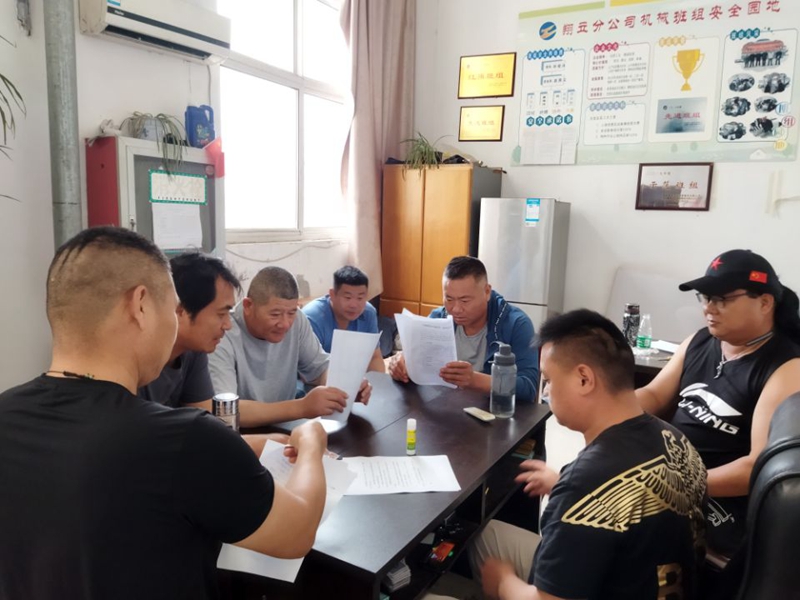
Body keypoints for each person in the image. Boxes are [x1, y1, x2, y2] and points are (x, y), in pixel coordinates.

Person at [0, 227, 328, 599]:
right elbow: (297, 532)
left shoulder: (6, 414)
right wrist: (311, 443)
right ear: (140, 306)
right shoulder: (186, 440)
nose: (175, 322)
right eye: (171, 308)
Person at [430, 309, 707, 600]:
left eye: (549, 379)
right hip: (644, 580)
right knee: (480, 536)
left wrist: (502, 581)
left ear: (584, 379)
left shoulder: (585, 482)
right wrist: (562, 486)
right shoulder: (678, 441)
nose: (545, 392)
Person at [637, 249, 800, 560]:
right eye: (705, 297)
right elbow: (655, 395)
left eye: (722, 299)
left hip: (721, 502)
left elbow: (755, 467)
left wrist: (674, 483)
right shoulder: (700, 341)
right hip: (672, 474)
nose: (708, 308)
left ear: (765, 303)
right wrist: (608, 405)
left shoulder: (786, 368)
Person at [208, 265, 371, 418]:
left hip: (286, 423)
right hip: (242, 431)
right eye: (275, 314)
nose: (285, 324)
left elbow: (319, 368)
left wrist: (346, 386)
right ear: (248, 305)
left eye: (291, 313)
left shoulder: (298, 319)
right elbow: (225, 410)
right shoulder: (222, 334)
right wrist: (302, 407)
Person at [388, 256, 539, 402]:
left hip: (493, 411)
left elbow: (529, 387)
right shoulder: (438, 319)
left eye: (465, 300)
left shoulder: (516, 324)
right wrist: (400, 365)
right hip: (444, 407)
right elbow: (414, 362)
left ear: (487, 292)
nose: (456, 309)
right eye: (449, 299)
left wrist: (475, 380)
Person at [302, 265, 384, 372]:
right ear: (332, 294)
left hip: (353, 375)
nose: (354, 305)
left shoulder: (368, 313)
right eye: (348, 297)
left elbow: (374, 357)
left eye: (360, 298)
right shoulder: (312, 317)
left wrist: (377, 380)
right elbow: (309, 370)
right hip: (317, 377)